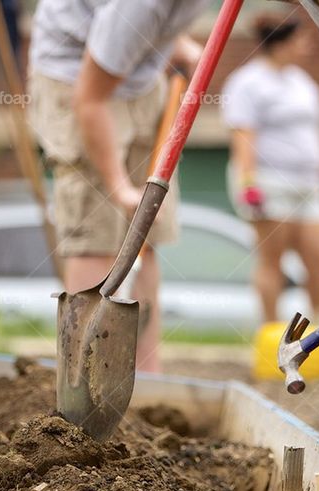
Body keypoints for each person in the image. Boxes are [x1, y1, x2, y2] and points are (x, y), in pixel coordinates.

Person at [28, 0, 208, 372]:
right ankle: (86, 384)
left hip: (140, 78)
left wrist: (179, 44)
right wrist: (118, 186)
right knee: (98, 239)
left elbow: (141, 26)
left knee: (147, 237)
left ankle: (146, 381)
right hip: (77, 81)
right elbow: (90, 99)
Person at [221, 12, 319, 323]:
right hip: (270, 182)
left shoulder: (303, 82)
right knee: (272, 262)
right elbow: (243, 137)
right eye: (301, 38)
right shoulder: (248, 82)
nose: (308, 45)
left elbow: (315, 133)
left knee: (318, 261)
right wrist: (249, 184)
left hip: (308, 184)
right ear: (282, 43)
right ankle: (270, 331)